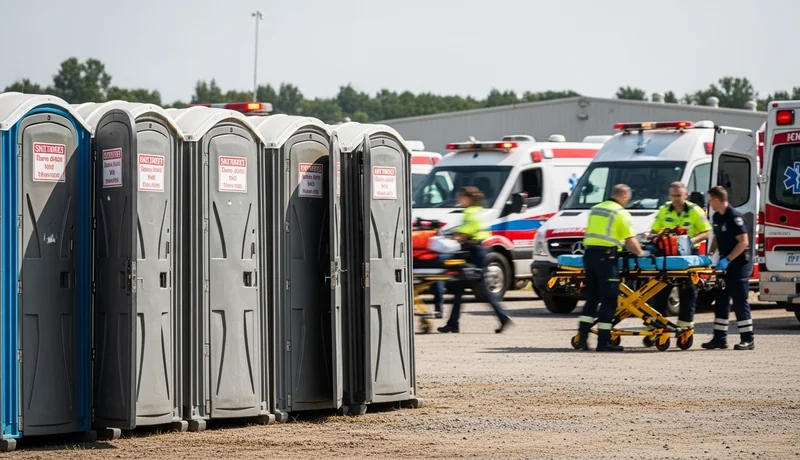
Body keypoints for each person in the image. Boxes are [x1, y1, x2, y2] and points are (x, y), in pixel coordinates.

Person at [575, 184, 645, 352]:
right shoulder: (620, 213)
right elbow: (630, 241)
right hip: (606, 259)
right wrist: (642, 254)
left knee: (591, 299)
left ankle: (582, 340)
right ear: (624, 197)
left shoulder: (596, 209)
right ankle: (604, 342)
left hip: (589, 256)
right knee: (608, 300)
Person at [438, 186, 512, 334]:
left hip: (473, 253)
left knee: (481, 289)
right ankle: (453, 323)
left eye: (461, 197)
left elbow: (464, 233)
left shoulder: (470, 213)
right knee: (459, 288)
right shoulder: (479, 211)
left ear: (469, 199)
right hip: (480, 250)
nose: (459, 200)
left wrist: (448, 238)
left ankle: (503, 317)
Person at [645, 181, 712, 345]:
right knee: (660, 293)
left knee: (688, 292)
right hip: (666, 256)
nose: (676, 199)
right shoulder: (663, 210)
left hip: (688, 257)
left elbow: (707, 232)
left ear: (685, 195)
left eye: (679, 196)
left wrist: (690, 240)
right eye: (673, 196)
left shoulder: (695, 211)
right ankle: (656, 330)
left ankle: (684, 329)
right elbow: (654, 231)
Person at [702, 186, 754, 350]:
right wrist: (710, 254)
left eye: (710, 200)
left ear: (717, 199)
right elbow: (717, 237)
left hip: (737, 265)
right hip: (723, 266)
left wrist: (728, 260)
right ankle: (719, 338)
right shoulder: (717, 216)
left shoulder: (734, 216)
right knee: (721, 301)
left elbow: (743, 242)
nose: (709, 203)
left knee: (739, 302)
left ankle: (748, 339)